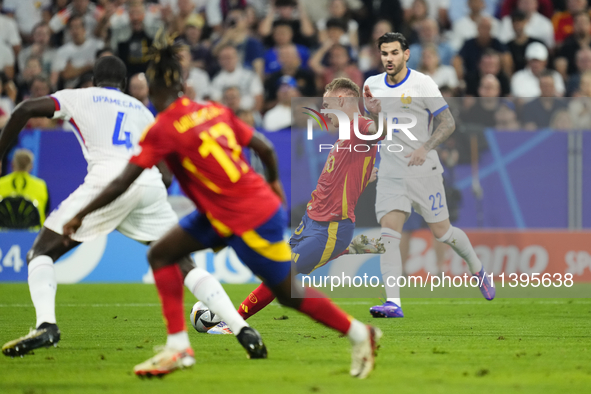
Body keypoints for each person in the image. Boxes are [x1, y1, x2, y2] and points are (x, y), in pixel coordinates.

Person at [61, 40, 382, 379]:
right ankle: (178, 347)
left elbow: (121, 181)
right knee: (162, 254)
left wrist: (82, 212)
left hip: (247, 215)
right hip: (232, 208)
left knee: (287, 292)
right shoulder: (213, 110)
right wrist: (273, 182)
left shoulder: (163, 128)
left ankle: (361, 333)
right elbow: (264, 147)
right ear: (183, 85)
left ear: (154, 90)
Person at [0, 56, 260, 372]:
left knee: (40, 253)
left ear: (94, 81)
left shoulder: (78, 96)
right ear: (124, 85)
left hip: (107, 182)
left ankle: (47, 326)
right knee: (184, 264)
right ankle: (242, 328)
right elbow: (165, 174)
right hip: (147, 184)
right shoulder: (140, 110)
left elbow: (24, 109)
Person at [230, 77, 383, 326]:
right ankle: (364, 246)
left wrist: (377, 115)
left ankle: (234, 323)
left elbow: (377, 131)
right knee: (278, 268)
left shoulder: (361, 126)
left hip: (331, 226)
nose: (323, 111)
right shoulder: (345, 135)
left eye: (326, 104)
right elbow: (343, 177)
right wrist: (365, 176)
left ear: (342, 100)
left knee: (282, 273)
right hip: (311, 222)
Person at [363, 32, 495, 318]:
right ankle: (393, 303)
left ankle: (477, 267)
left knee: (443, 232)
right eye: (384, 53)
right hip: (390, 172)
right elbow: (378, 131)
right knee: (389, 234)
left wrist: (425, 147)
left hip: (424, 171)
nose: (389, 58)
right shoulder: (371, 85)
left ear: (406, 54)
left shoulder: (422, 83)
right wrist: (373, 117)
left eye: (394, 53)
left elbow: (447, 123)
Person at [0, 149, 49, 228]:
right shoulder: (41, 186)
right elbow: (45, 215)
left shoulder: (1, 183)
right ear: (31, 166)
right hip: (33, 236)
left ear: (12, 164)